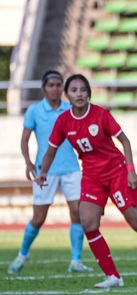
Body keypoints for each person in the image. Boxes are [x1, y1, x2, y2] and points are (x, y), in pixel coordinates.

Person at [35, 74, 137, 288]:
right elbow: (50, 151)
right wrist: (43, 172)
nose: (79, 94)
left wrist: (130, 170)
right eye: (74, 90)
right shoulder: (63, 121)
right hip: (91, 176)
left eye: (83, 90)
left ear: (89, 93)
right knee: (88, 223)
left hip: (116, 172)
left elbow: (124, 141)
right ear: (67, 94)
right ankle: (113, 276)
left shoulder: (100, 114)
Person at [8, 70, 91, 274]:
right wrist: (28, 163)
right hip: (45, 170)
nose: (55, 88)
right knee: (39, 218)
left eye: (58, 84)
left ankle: (76, 261)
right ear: (44, 88)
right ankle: (22, 255)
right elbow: (25, 139)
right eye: (51, 84)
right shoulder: (34, 111)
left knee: (77, 213)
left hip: (71, 168)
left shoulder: (71, 109)